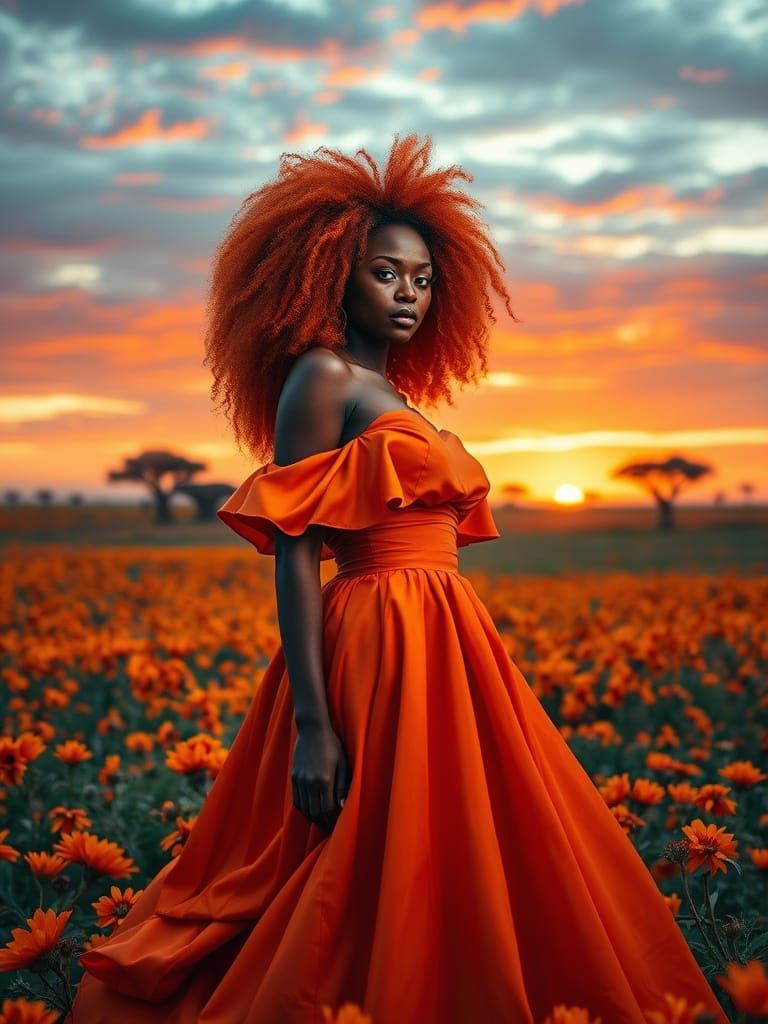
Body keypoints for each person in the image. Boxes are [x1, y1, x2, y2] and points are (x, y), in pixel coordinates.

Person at [73, 134, 729, 1024]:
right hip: (374, 639)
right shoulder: (321, 376)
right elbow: (296, 548)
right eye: (386, 274)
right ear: (332, 273)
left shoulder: (399, 397)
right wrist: (311, 721)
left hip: (449, 637)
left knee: (464, 839)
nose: (408, 293)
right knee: (363, 845)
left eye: (422, 278)